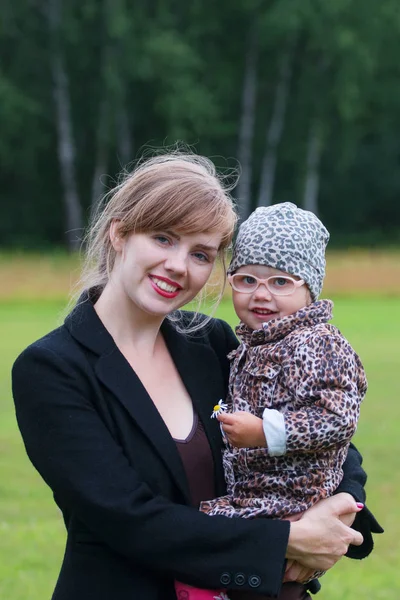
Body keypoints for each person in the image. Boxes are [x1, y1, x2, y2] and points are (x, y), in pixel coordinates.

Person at [12, 154, 381, 600]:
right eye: (164, 238)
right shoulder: (53, 369)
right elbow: (130, 518)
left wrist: (338, 511)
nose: (178, 266)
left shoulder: (212, 344)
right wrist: (285, 542)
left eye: (201, 254)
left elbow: (322, 432)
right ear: (119, 231)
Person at [199, 202, 382, 598]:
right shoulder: (254, 345)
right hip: (259, 494)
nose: (261, 295)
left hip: (291, 496)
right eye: (246, 280)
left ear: (309, 287)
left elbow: (337, 419)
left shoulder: (318, 343)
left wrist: (265, 431)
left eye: (280, 282)